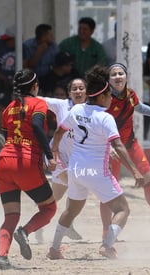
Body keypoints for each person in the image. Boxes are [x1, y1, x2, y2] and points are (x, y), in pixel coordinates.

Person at [47, 67, 144, 260]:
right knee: (122, 209)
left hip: (75, 169)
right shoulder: (105, 117)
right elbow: (118, 144)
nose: (111, 98)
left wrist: (55, 152)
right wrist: (134, 170)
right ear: (102, 96)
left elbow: (58, 132)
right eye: (109, 94)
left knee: (71, 210)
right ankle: (107, 246)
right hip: (96, 171)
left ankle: (54, 249)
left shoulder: (76, 109)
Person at [104, 63, 150, 236]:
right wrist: (107, 148)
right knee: (109, 190)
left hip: (130, 144)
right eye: (113, 74)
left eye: (120, 73)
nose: (117, 77)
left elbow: (141, 108)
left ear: (126, 76)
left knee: (149, 179)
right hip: (113, 149)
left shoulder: (130, 94)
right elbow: (96, 124)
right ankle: (105, 230)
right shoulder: (104, 98)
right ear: (108, 80)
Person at [0, 69, 57, 269]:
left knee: (11, 215)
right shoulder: (38, 103)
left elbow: (7, 137)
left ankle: (2, 257)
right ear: (34, 86)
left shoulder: (8, 109)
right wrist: (49, 155)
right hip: (27, 162)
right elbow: (38, 126)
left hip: (4, 162)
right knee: (49, 208)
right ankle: (25, 232)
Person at [42, 78, 88, 240]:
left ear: (86, 92)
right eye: (74, 89)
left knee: (56, 196)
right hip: (56, 154)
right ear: (69, 93)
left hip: (76, 159)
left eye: (81, 88)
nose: (78, 91)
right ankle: (66, 225)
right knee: (76, 185)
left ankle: (40, 221)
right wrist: (23, 94)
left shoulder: (90, 110)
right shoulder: (61, 105)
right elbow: (40, 100)